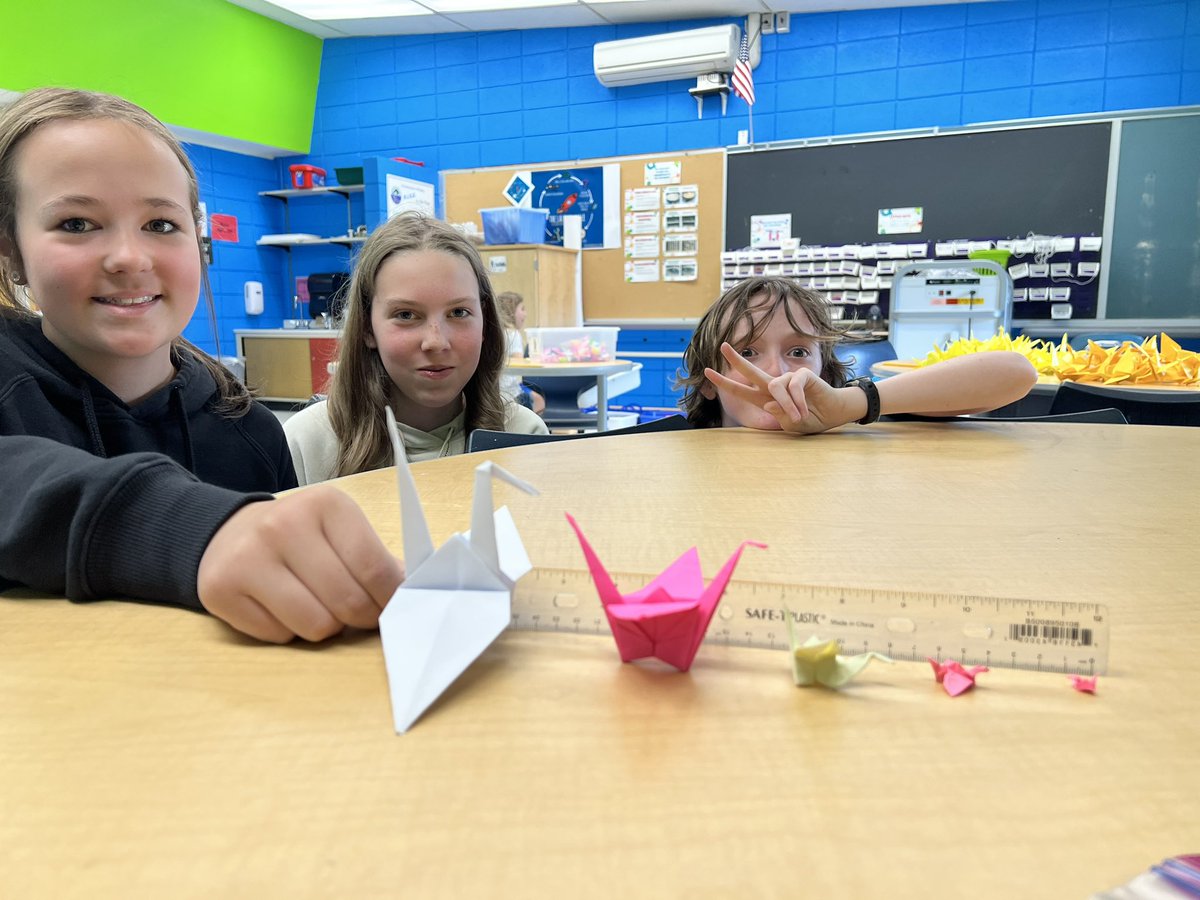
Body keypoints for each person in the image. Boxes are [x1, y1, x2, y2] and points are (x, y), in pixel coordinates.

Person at [0, 87, 402, 644]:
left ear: (198, 239)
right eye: (76, 223)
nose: (129, 257)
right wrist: (195, 531)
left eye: (161, 225)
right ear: (11, 251)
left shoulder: (252, 434)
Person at [284, 213, 548, 485]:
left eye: (458, 312)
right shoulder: (306, 445)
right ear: (367, 328)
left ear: (485, 322)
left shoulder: (524, 435)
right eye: (406, 315)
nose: (436, 342)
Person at [679, 277, 1038, 431]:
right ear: (707, 382)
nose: (777, 371)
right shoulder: (683, 454)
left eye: (799, 350)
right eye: (747, 352)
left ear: (824, 370)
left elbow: (1017, 372)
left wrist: (851, 405)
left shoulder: (844, 416)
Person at [496, 290, 545, 414]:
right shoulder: (513, 335)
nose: (525, 314)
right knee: (538, 401)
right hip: (512, 394)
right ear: (511, 312)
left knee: (537, 399)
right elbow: (518, 366)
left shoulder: (495, 333)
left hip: (497, 393)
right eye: (522, 309)